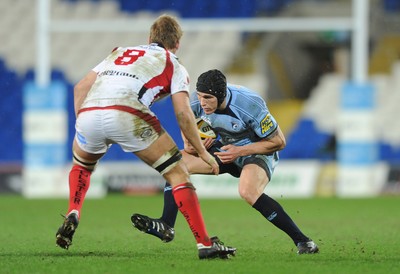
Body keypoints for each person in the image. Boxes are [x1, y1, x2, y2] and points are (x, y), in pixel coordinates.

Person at [55, 15, 236, 260]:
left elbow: (79, 88)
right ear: (177, 44)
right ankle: (205, 244)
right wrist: (204, 153)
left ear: (149, 38)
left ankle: (74, 211)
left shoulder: (119, 52)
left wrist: (85, 125)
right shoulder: (173, 64)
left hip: (89, 113)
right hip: (127, 112)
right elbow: (183, 113)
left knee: (83, 167)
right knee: (178, 173)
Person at [131, 69, 319, 255]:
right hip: (226, 150)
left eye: (208, 98)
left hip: (256, 151)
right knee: (175, 165)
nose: (202, 103)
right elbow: (187, 121)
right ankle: (166, 225)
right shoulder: (196, 101)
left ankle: (303, 242)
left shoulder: (249, 103)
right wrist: (193, 142)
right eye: (201, 96)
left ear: (221, 95)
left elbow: (279, 142)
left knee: (248, 191)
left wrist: (240, 151)